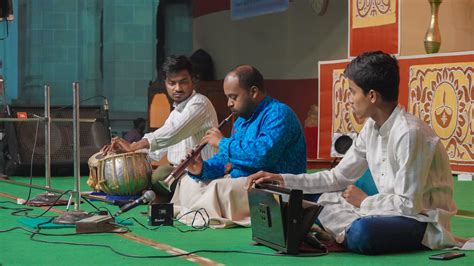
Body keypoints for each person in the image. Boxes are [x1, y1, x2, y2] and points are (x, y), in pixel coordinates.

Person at [245, 51, 463, 254]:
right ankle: (341, 232)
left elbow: (408, 205)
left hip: (421, 221)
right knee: (306, 196)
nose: (349, 99)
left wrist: (364, 202)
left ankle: (339, 232)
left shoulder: (409, 133)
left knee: (363, 233)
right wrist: (282, 181)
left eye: (352, 92)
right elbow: (337, 177)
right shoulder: (371, 128)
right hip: (384, 212)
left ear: (372, 96)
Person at [172, 64, 307, 227]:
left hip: (272, 186)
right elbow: (225, 160)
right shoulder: (242, 119)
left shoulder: (279, 113)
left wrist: (222, 142)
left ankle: (197, 216)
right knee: (189, 181)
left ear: (254, 92)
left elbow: (263, 156)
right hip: (242, 181)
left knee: (218, 187)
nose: (229, 103)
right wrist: (201, 168)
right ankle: (195, 213)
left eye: (233, 97)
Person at [102, 55, 218, 195]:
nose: (178, 88)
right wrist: (123, 152)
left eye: (183, 82)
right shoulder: (176, 113)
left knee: (160, 174)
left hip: (203, 177)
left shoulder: (200, 103)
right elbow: (155, 152)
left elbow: (173, 132)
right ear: (165, 83)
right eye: (172, 83)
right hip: (180, 176)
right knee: (149, 176)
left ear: (193, 80)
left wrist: (133, 146)